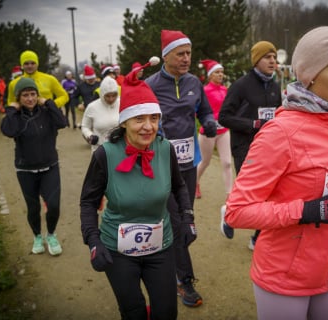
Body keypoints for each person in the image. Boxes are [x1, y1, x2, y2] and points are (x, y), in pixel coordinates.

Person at [224, 26, 328, 320]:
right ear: (310, 75)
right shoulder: (280, 132)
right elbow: (237, 212)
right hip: (285, 279)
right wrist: (310, 211)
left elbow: (318, 179)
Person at [80, 59, 194, 319]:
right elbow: (88, 202)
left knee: (166, 313)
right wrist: (93, 241)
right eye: (139, 119)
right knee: (133, 312)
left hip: (161, 246)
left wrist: (187, 218)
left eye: (154, 118)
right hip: (117, 251)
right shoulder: (104, 156)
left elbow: (179, 187)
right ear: (123, 123)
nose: (149, 126)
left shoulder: (165, 149)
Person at [145, 29, 217, 308]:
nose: (187, 58)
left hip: (187, 163)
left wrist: (208, 122)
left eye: (189, 53)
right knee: (178, 222)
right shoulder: (151, 85)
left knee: (184, 218)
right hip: (160, 163)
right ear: (166, 56)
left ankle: (164, 262)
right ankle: (183, 280)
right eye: (181, 53)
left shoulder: (194, 83)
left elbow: (205, 111)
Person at [218, 40, 282, 248]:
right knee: (249, 192)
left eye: (274, 57)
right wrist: (253, 123)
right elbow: (224, 117)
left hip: (269, 146)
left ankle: (257, 237)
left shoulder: (275, 85)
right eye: (267, 57)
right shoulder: (241, 85)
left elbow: (279, 112)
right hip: (244, 145)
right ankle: (229, 213)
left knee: (268, 192)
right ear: (256, 61)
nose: (272, 61)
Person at [1, 77, 67, 256]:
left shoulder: (46, 112)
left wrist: (49, 102)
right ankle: (37, 236)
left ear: (38, 95)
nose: (30, 98)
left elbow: (62, 123)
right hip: (25, 170)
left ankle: (51, 234)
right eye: (25, 95)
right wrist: (11, 110)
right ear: (19, 98)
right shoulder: (16, 117)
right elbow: (9, 131)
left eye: (33, 94)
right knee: (33, 207)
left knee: (53, 205)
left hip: (49, 167)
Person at [196, 59, 233, 227]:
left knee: (226, 162)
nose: (221, 75)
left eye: (222, 72)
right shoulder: (204, 91)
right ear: (210, 75)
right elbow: (199, 110)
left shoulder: (226, 90)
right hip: (208, 133)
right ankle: (195, 183)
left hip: (224, 131)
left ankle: (229, 194)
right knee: (205, 162)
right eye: (217, 72)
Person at [81, 76, 120, 153]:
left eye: (114, 95)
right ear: (102, 94)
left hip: (119, 149)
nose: (111, 99)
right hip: (100, 150)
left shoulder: (122, 103)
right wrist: (90, 136)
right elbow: (85, 126)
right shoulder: (92, 107)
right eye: (107, 96)